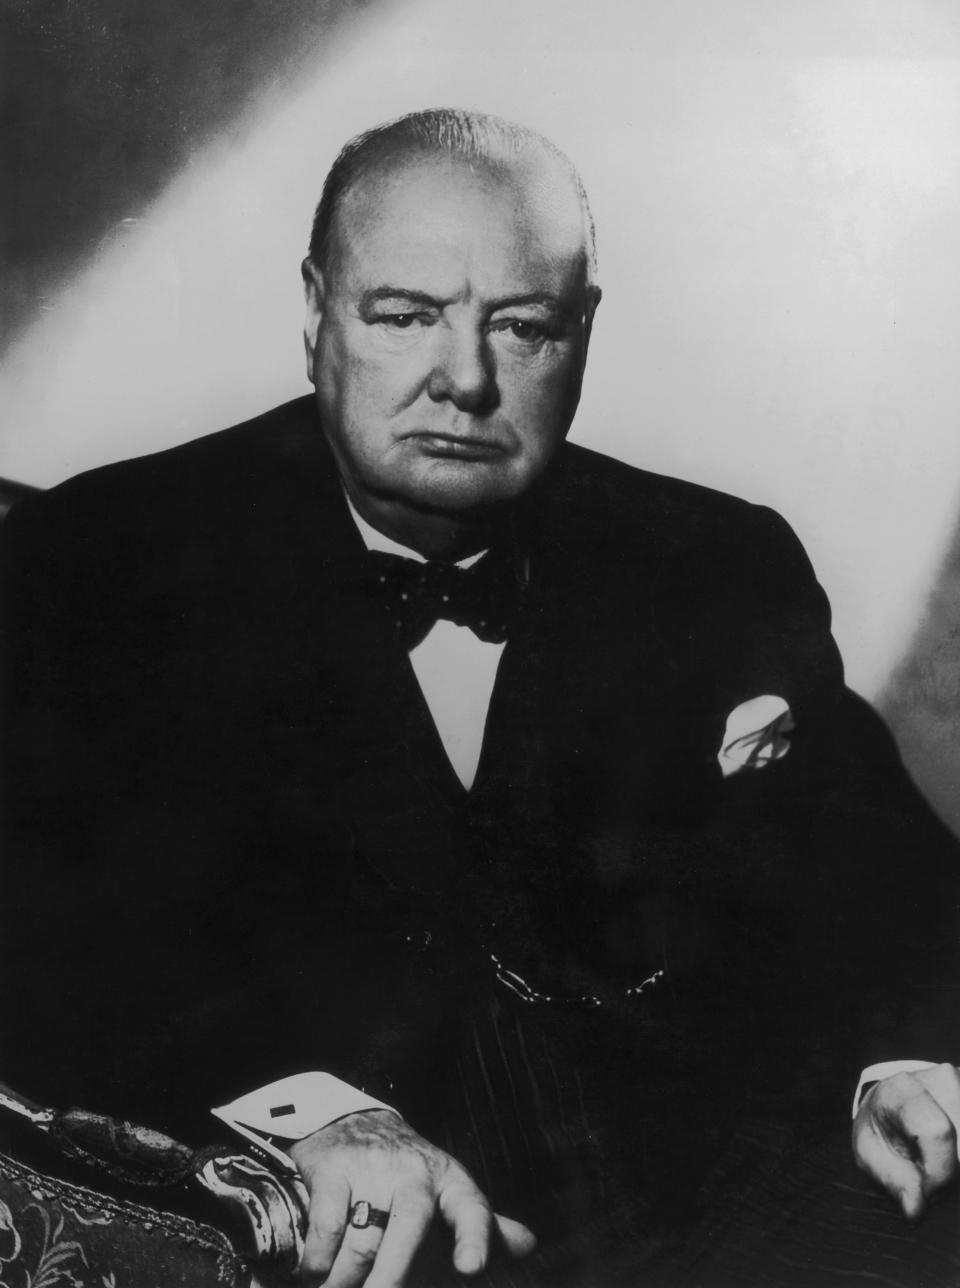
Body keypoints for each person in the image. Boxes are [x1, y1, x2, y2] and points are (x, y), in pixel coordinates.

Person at [1, 109, 958, 1288]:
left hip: (702, 1197)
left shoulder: (716, 556)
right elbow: (39, 929)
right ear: (315, 313)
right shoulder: (98, 559)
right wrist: (303, 1120)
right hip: (355, 1214)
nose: (465, 378)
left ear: (586, 334)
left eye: (525, 327)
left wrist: (908, 1058)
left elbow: (881, 859)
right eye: (404, 316)